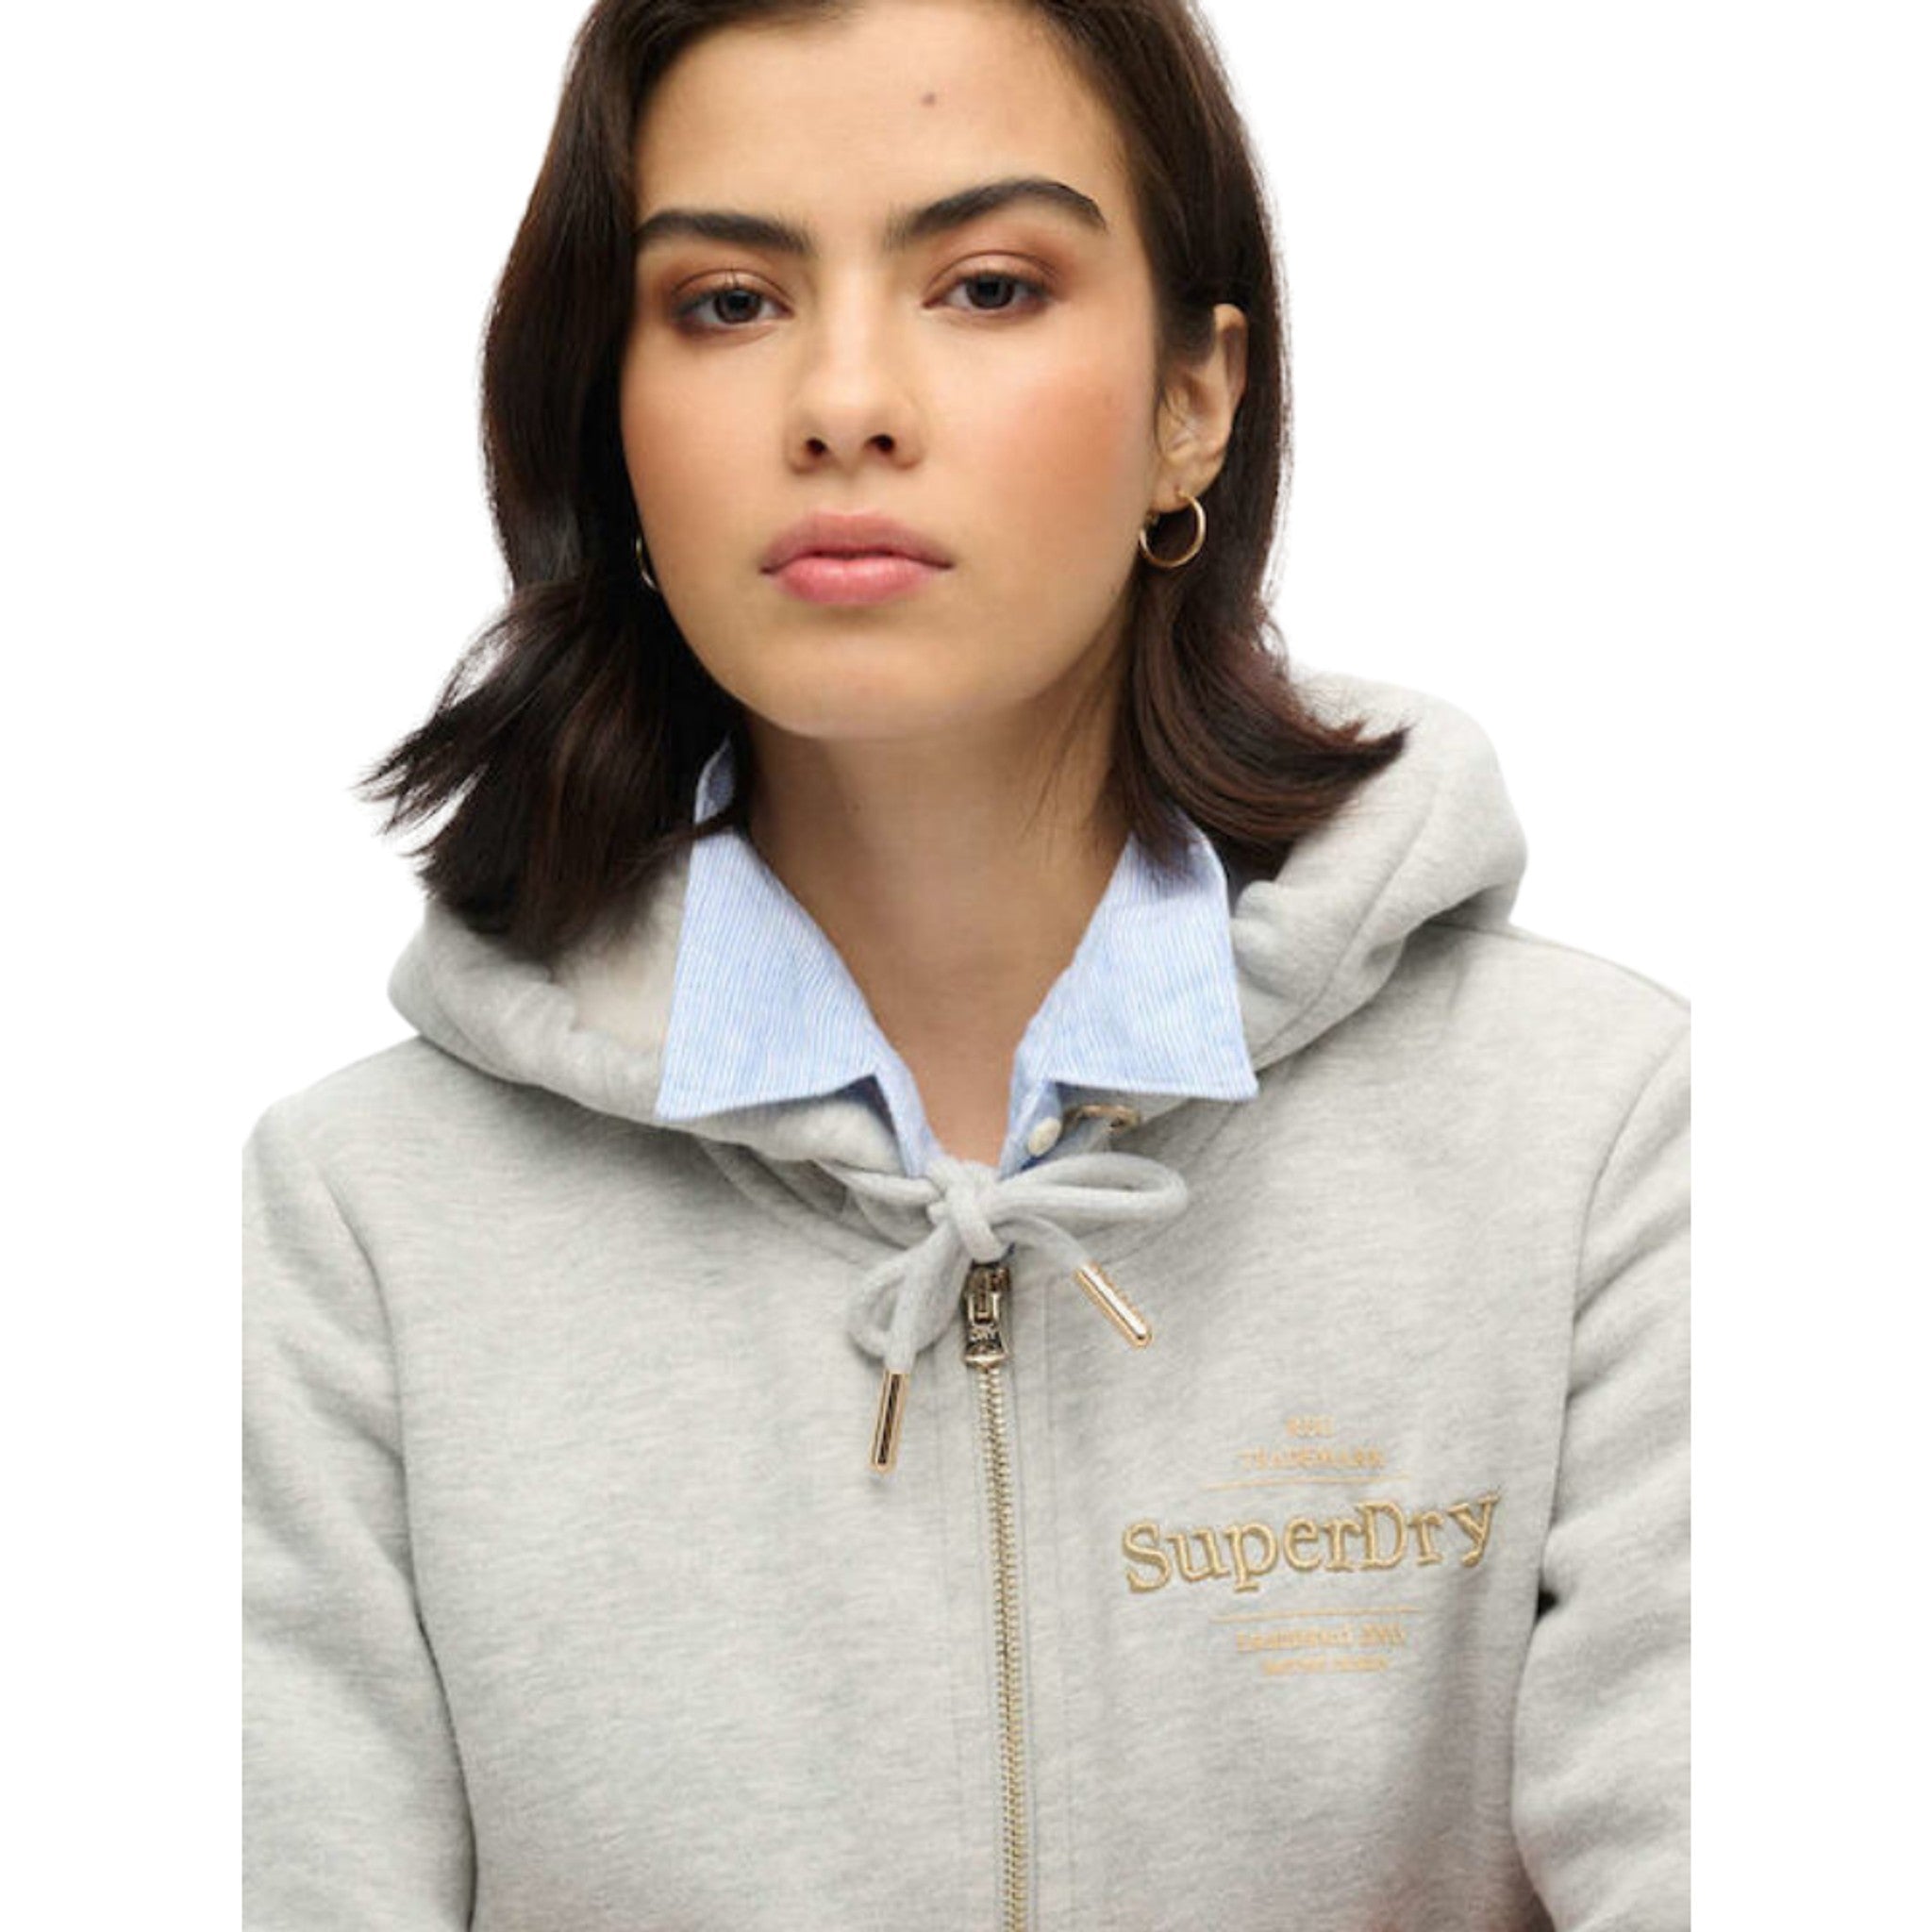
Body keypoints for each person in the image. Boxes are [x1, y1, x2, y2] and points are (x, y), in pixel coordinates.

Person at [242, 0, 1690, 1925]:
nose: (845, 401)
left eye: (989, 287)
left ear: (1194, 400)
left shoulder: (1598, 1145)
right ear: (610, 416)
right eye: (728, 302)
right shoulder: (354, 1234)